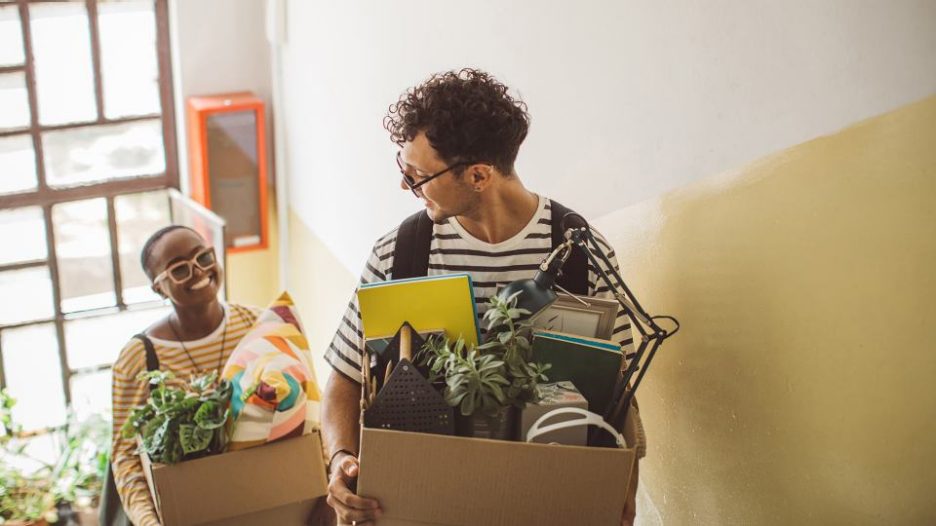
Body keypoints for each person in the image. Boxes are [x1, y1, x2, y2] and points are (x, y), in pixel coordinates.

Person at [322, 68, 647, 525]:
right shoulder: (399, 253)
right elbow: (343, 376)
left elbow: (618, 391)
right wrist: (340, 459)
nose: (405, 187)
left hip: (545, 504)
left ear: (477, 175)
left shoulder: (580, 254)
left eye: (416, 175)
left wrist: (622, 485)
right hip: (425, 502)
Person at [109, 226, 260, 526]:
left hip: (263, 501)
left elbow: (306, 410)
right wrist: (148, 521)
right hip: (185, 513)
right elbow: (125, 456)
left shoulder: (257, 325)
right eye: (179, 269)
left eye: (203, 257)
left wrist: (321, 490)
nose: (199, 271)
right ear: (158, 287)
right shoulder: (139, 359)